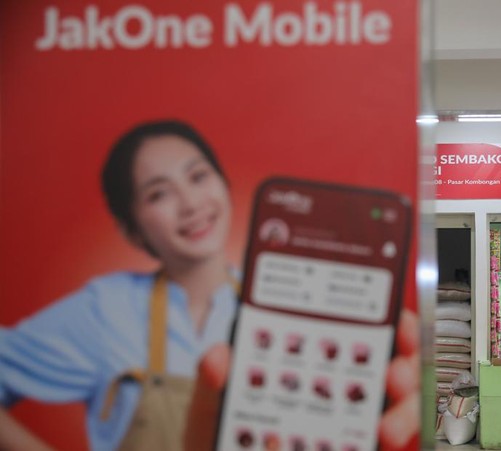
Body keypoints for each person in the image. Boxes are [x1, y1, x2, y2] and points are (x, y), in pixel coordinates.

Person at [0, 119, 420, 450]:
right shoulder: (105, 308)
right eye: (158, 194)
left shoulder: (283, 312)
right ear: (132, 232)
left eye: (198, 176)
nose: (191, 203)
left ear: (223, 184)